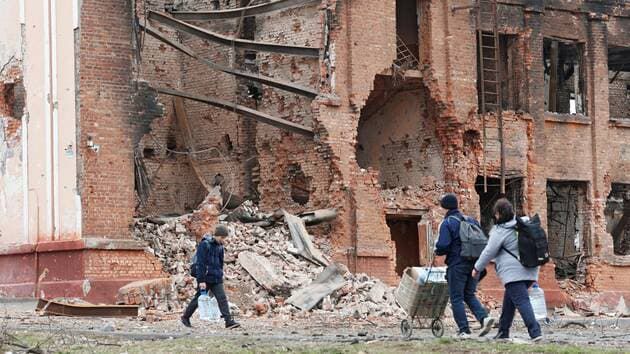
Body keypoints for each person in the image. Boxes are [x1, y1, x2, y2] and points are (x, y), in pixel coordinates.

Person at [472, 198, 542, 341]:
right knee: (509, 301)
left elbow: (489, 251)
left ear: (498, 214)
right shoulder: (522, 225)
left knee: (522, 301)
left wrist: (477, 267)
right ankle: (503, 332)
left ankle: (535, 332)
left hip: (513, 273)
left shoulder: (500, 230)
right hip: (531, 270)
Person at [435, 193, 495, 338]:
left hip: (457, 264)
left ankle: (464, 330)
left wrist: (437, 250)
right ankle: (483, 318)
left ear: (444, 207)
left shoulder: (448, 222)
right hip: (475, 264)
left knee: (456, 297)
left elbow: (443, 245)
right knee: (469, 294)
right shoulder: (471, 221)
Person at [181, 224, 241, 329]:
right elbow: (201, 263)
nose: (223, 240)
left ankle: (228, 321)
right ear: (216, 235)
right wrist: (201, 280)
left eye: (224, 238)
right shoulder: (205, 244)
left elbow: (220, 264)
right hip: (206, 278)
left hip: (216, 278)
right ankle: (185, 317)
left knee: (222, 299)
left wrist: (221, 275)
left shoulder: (220, 247)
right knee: (198, 298)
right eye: (222, 237)